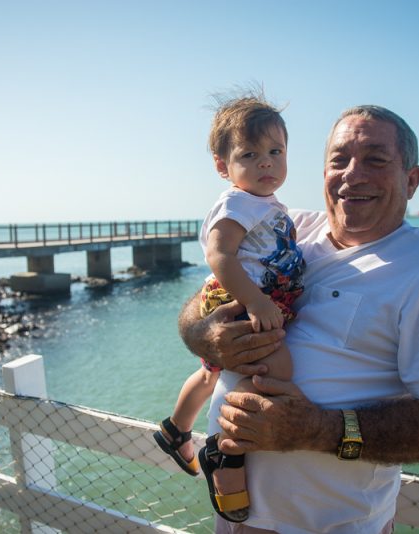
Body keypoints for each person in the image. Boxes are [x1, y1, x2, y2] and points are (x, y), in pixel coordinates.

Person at [178, 105, 419, 533]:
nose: (352, 175)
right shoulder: (288, 227)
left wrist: (316, 430)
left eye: (376, 160)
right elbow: (208, 293)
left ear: (411, 180)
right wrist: (204, 333)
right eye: (339, 160)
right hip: (236, 518)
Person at [154, 94, 304, 523]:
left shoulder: (268, 205)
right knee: (277, 367)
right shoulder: (239, 202)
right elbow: (219, 256)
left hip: (246, 299)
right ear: (224, 166)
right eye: (250, 155)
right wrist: (256, 301)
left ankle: (174, 429)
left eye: (276, 152)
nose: (266, 164)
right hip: (243, 302)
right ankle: (227, 454)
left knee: (210, 373)